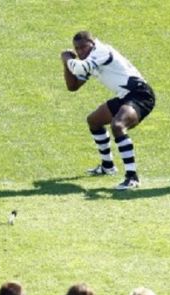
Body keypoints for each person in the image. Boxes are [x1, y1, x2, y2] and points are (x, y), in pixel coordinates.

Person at [61, 31, 155, 190]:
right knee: (94, 121)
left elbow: (79, 68)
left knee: (118, 126)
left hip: (140, 95)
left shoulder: (101, 52)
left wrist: (68, 59)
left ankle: (132, 177)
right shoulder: (90, 59)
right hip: (125, 95)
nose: (80, 51)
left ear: (92, 43)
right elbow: (73, 86)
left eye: (84, 47)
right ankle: (107, 166)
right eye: (77, 49)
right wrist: (66, 65)